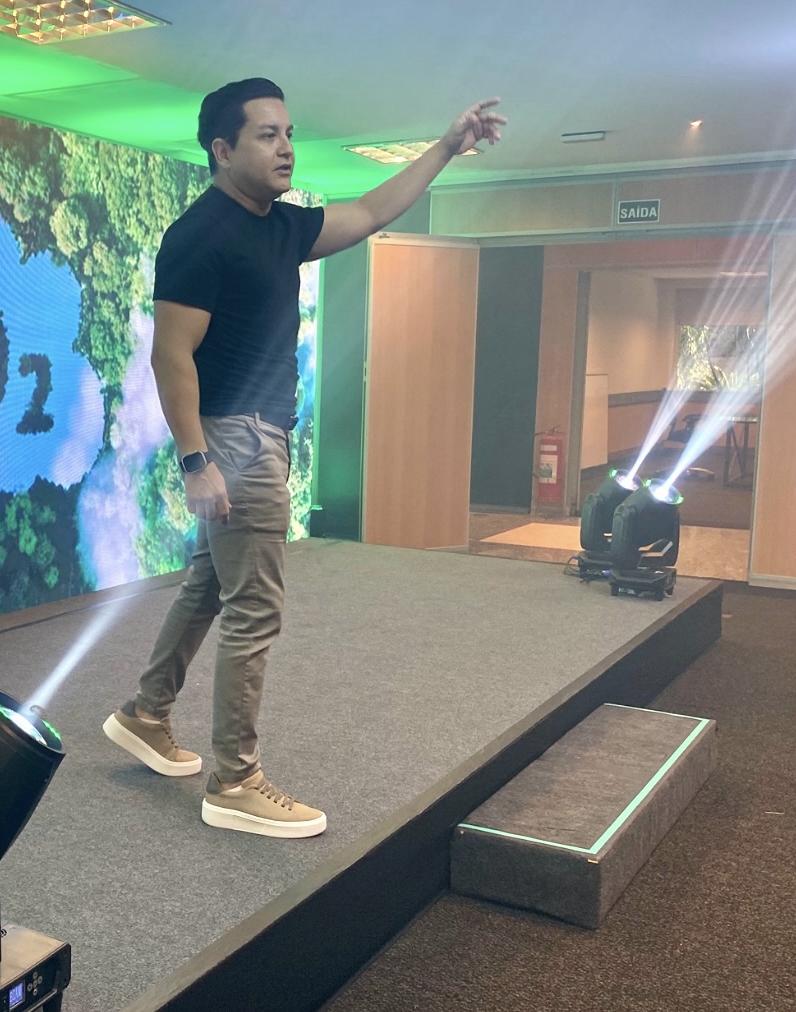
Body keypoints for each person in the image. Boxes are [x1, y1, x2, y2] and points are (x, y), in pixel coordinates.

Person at [103, 78, 505, 838]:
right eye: (266, 135)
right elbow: (171, 356)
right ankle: (235, 782)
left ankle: (146, 713)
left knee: (209, 585)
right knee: (254, 608)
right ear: (222, 150)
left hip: (260, 435)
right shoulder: (200, 235)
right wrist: (195, 462)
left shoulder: (282, 226)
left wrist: (447, 147)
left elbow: (371, 211)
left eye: (288, 133)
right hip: (236, 438)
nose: (285, 147)